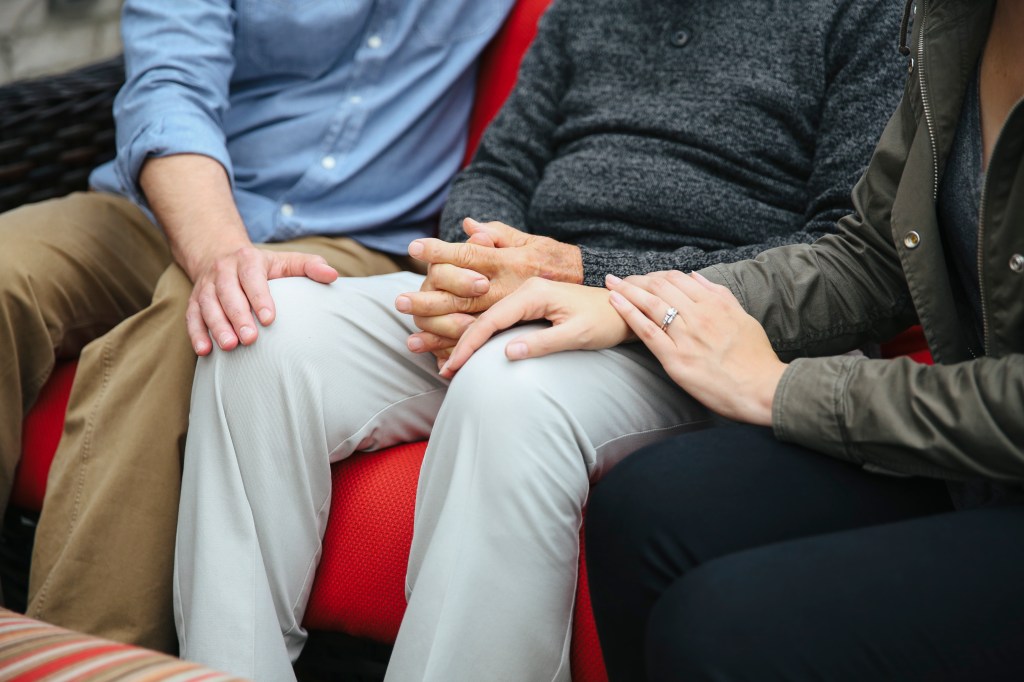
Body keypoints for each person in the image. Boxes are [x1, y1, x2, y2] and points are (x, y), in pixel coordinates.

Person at [173, 0, 906, 679]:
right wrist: (481, 261)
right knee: (265, 331)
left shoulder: (871, 13)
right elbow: (496, 169)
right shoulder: (585, 9)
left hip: (700, 328)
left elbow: (849, 255)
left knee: (509, 384)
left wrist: (590, 275)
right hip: (528, 289)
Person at [445, 0, 1024, 679]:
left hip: (988, 440)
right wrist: (633, 303)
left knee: (720, 626)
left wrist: (781, 387)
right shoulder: (954, 18)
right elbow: (867, 257)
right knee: (645, 508)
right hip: (976, 466)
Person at [4, 0, 514, 652]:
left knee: (205, 327)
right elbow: (169, 83)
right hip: (172, 202)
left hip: (348, 238)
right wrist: (220, 250)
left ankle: (87, 660)